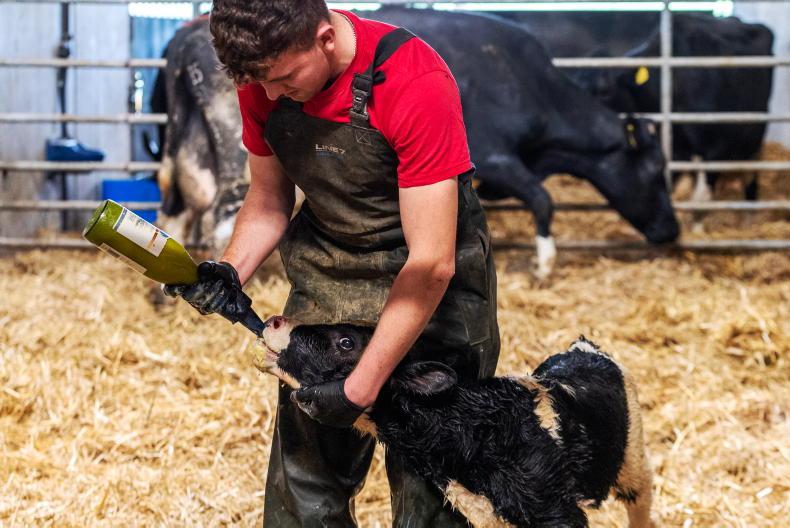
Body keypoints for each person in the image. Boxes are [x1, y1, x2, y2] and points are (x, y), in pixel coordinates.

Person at [165, 1, 499, 525]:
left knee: (437, 493)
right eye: (260, 83)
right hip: (329, 276)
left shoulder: (413, 81)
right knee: (305, 489)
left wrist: (359, 388)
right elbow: (268, 199)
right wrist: (231, 269)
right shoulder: (265, 77)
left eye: (283, 79)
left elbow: (431, 261)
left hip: (429, 292)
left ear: (325, 38)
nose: (270, 95)